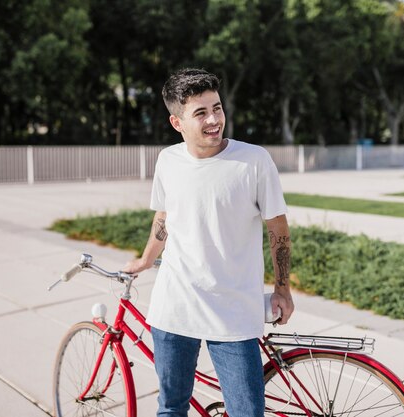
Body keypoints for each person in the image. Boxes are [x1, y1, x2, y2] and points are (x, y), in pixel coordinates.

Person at [123, 68, 294, 417]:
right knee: (171, 408)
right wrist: (145, 260)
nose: (214, 119)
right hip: (174, 308)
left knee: (247, 412)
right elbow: (164, 218)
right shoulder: (168, 161)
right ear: (177, 122)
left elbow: (278, 230)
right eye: (200, 113)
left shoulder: (253, 161)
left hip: (233, 314)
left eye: (217, 108)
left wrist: (282, 288)